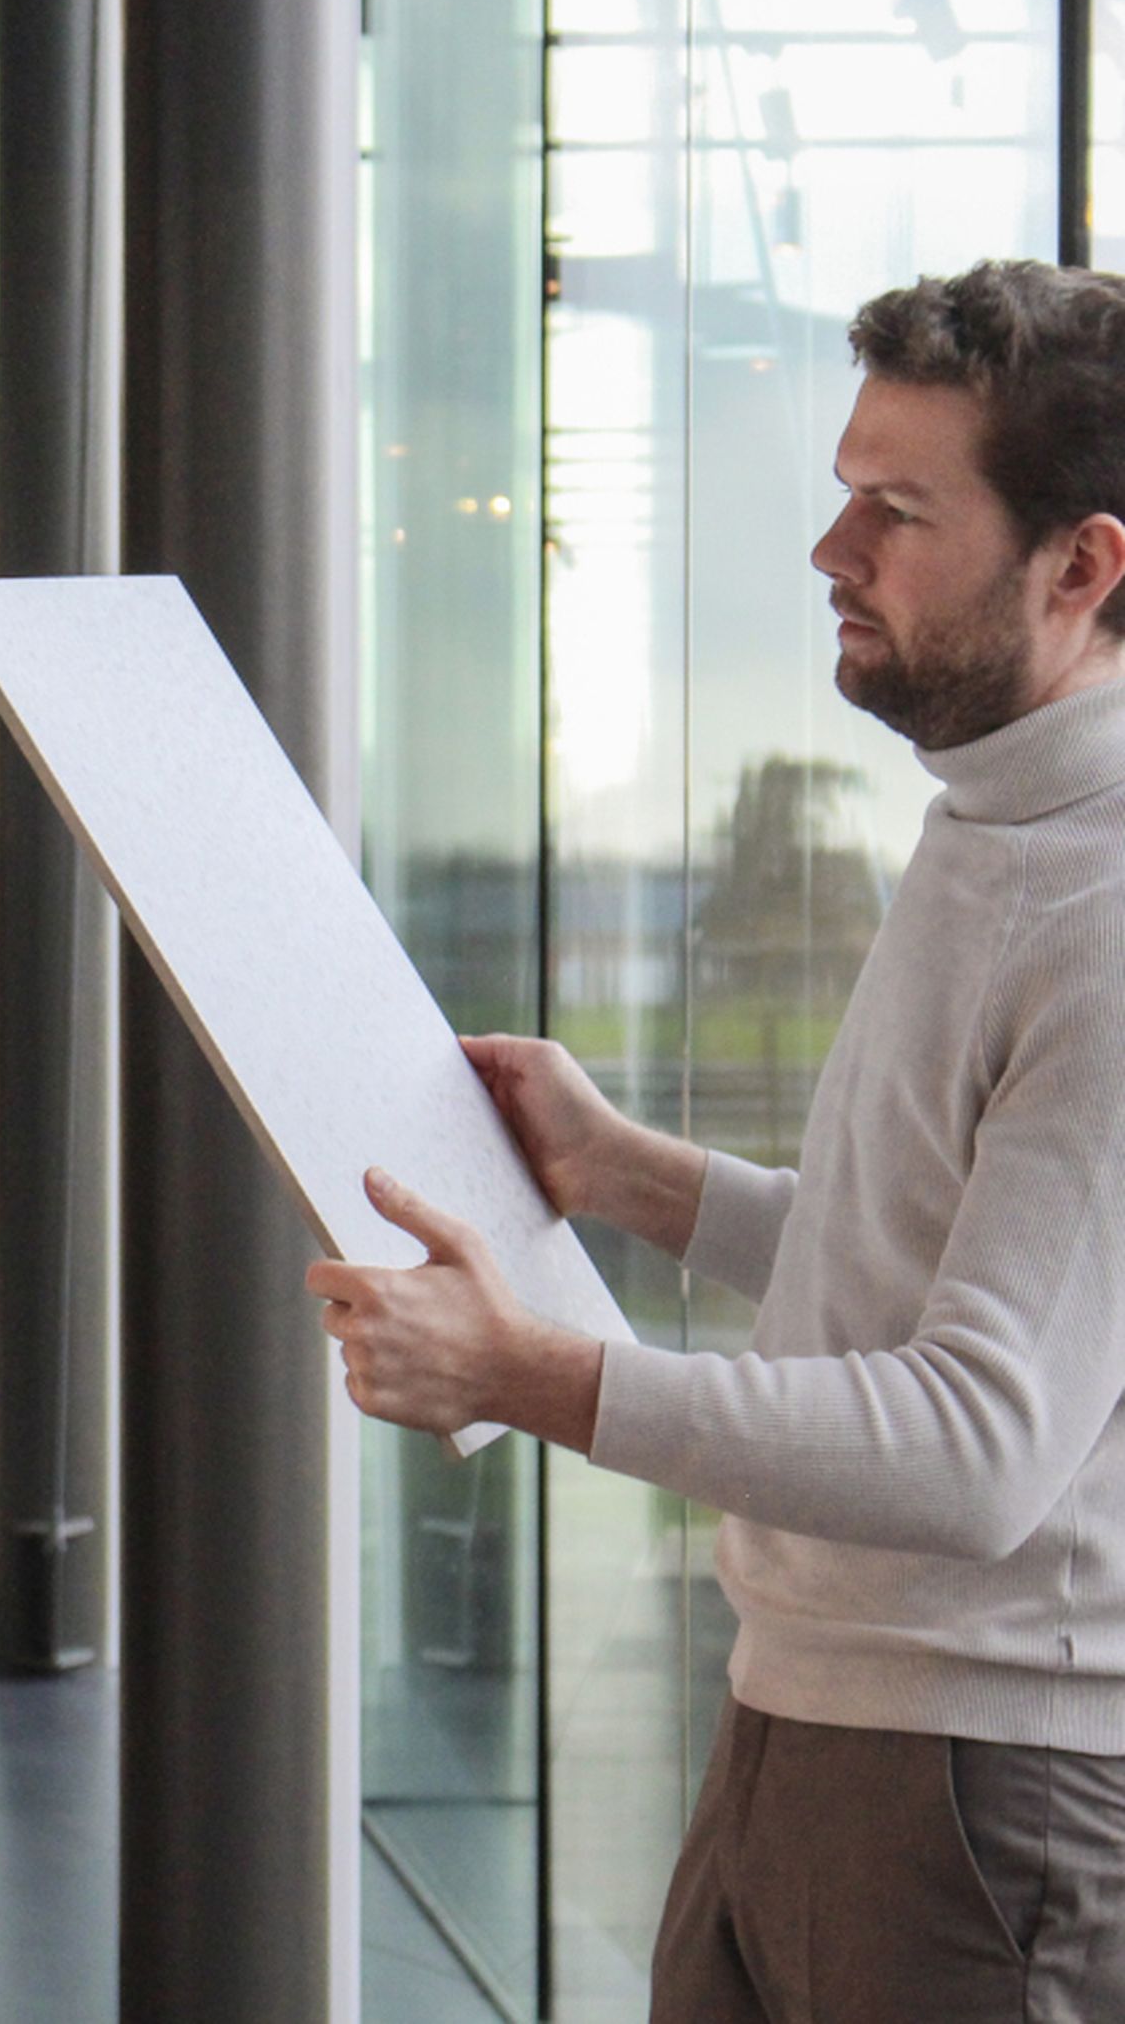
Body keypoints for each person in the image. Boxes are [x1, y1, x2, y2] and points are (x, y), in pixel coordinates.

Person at [309, 259, 1125, 2023]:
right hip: (809, 1713)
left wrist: (530, 1374)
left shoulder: (1107, 906)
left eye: (897, 511)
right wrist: (625, 1173)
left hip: (986, 1791)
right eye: (845, 493)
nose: (833, 550)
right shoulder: (998, 819)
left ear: (1081, 566)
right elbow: (913, 1247)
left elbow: (979, 1442)